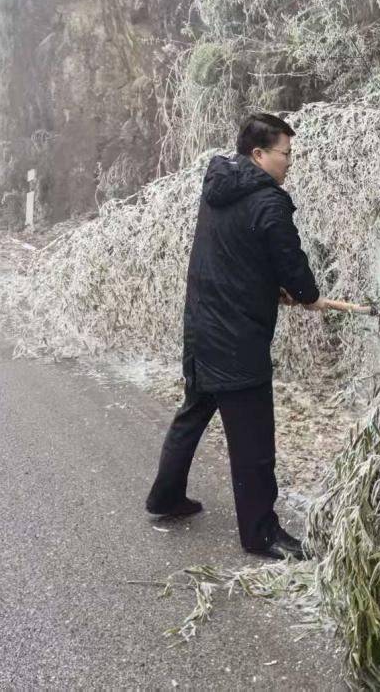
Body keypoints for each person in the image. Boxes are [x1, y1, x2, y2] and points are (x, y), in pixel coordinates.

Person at [145, 112, 328, 560]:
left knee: (194, 411)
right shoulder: (269, 203)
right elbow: (298, 277)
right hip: (238, 337)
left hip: (202, 326)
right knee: (253, 442)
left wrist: (271, 286)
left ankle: (165, 498)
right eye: (285, 154)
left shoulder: (218, 188)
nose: (290, 162)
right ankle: (261, 533)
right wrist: (302, 293)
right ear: (259, 154)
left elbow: (237, 253)